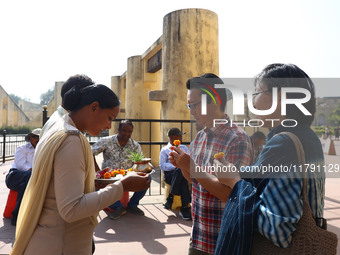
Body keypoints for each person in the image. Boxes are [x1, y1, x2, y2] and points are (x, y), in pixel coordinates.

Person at [10, 85, 150, 255]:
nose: (108, 126)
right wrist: (122, 185)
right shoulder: (71, 139)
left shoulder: (58, 127)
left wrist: (93, 182)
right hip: (61, 243)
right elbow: (71, 209)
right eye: (109, 118)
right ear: (94, 107)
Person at [212, 64, 326, 254]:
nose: (253, 102)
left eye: (257, 93)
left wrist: (233, 182)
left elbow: (278, 231)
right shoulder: (308, 136)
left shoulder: (282, 143)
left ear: (280, 97)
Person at [169, 73, 253, 254]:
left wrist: (191, 166)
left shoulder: (238, 139)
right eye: (189, 105)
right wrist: (183, 165)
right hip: (198, 236)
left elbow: (231, 194)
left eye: (195, 105)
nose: (191, 111)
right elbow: (194, 181)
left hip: (224, 240)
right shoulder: (200, 137)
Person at [92, 119, 149, 220]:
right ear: (118, 130)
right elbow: (90, 153)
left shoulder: (135, 145)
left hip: (128, 175)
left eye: (129, 131)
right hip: (109, 176)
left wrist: (144, 169)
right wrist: (98, 171)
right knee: (95, 183)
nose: (126, 134)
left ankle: (132, 205)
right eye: (124, 130)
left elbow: (139, 163)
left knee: (148, 178)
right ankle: (118, 207)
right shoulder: (106, 141)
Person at [5, 128, 41, 226]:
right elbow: (20, 165)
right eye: (34, 137)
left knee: (24, 186)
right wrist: (35, 173)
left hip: (29, 179)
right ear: (30, 138)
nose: (37, 139)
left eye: (39, 137)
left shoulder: (42, 150)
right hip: (14, 176)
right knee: (30, 177)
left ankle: (17, 216)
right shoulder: (22, 148)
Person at [159, 127, 191, 220]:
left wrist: (180, 166)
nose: (181, 138)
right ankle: (185, 207)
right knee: (180, 171)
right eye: (179, 136)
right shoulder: (165, 150)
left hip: (182, 173)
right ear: (173, 137)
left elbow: (189, 161)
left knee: (181, 173)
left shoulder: (184, 148)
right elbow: (162, 165)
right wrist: (176, 165)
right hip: (170, 175)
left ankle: (171, 197)